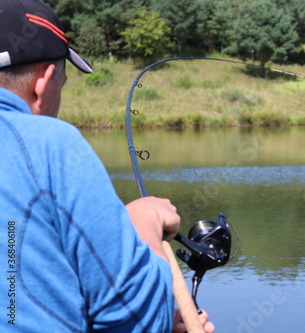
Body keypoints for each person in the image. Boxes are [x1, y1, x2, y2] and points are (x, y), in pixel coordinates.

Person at [0, 0, 214, 332]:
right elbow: (135, 318)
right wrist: (144, 224)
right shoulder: (51, 144)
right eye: (63, 83)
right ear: (43, 81)